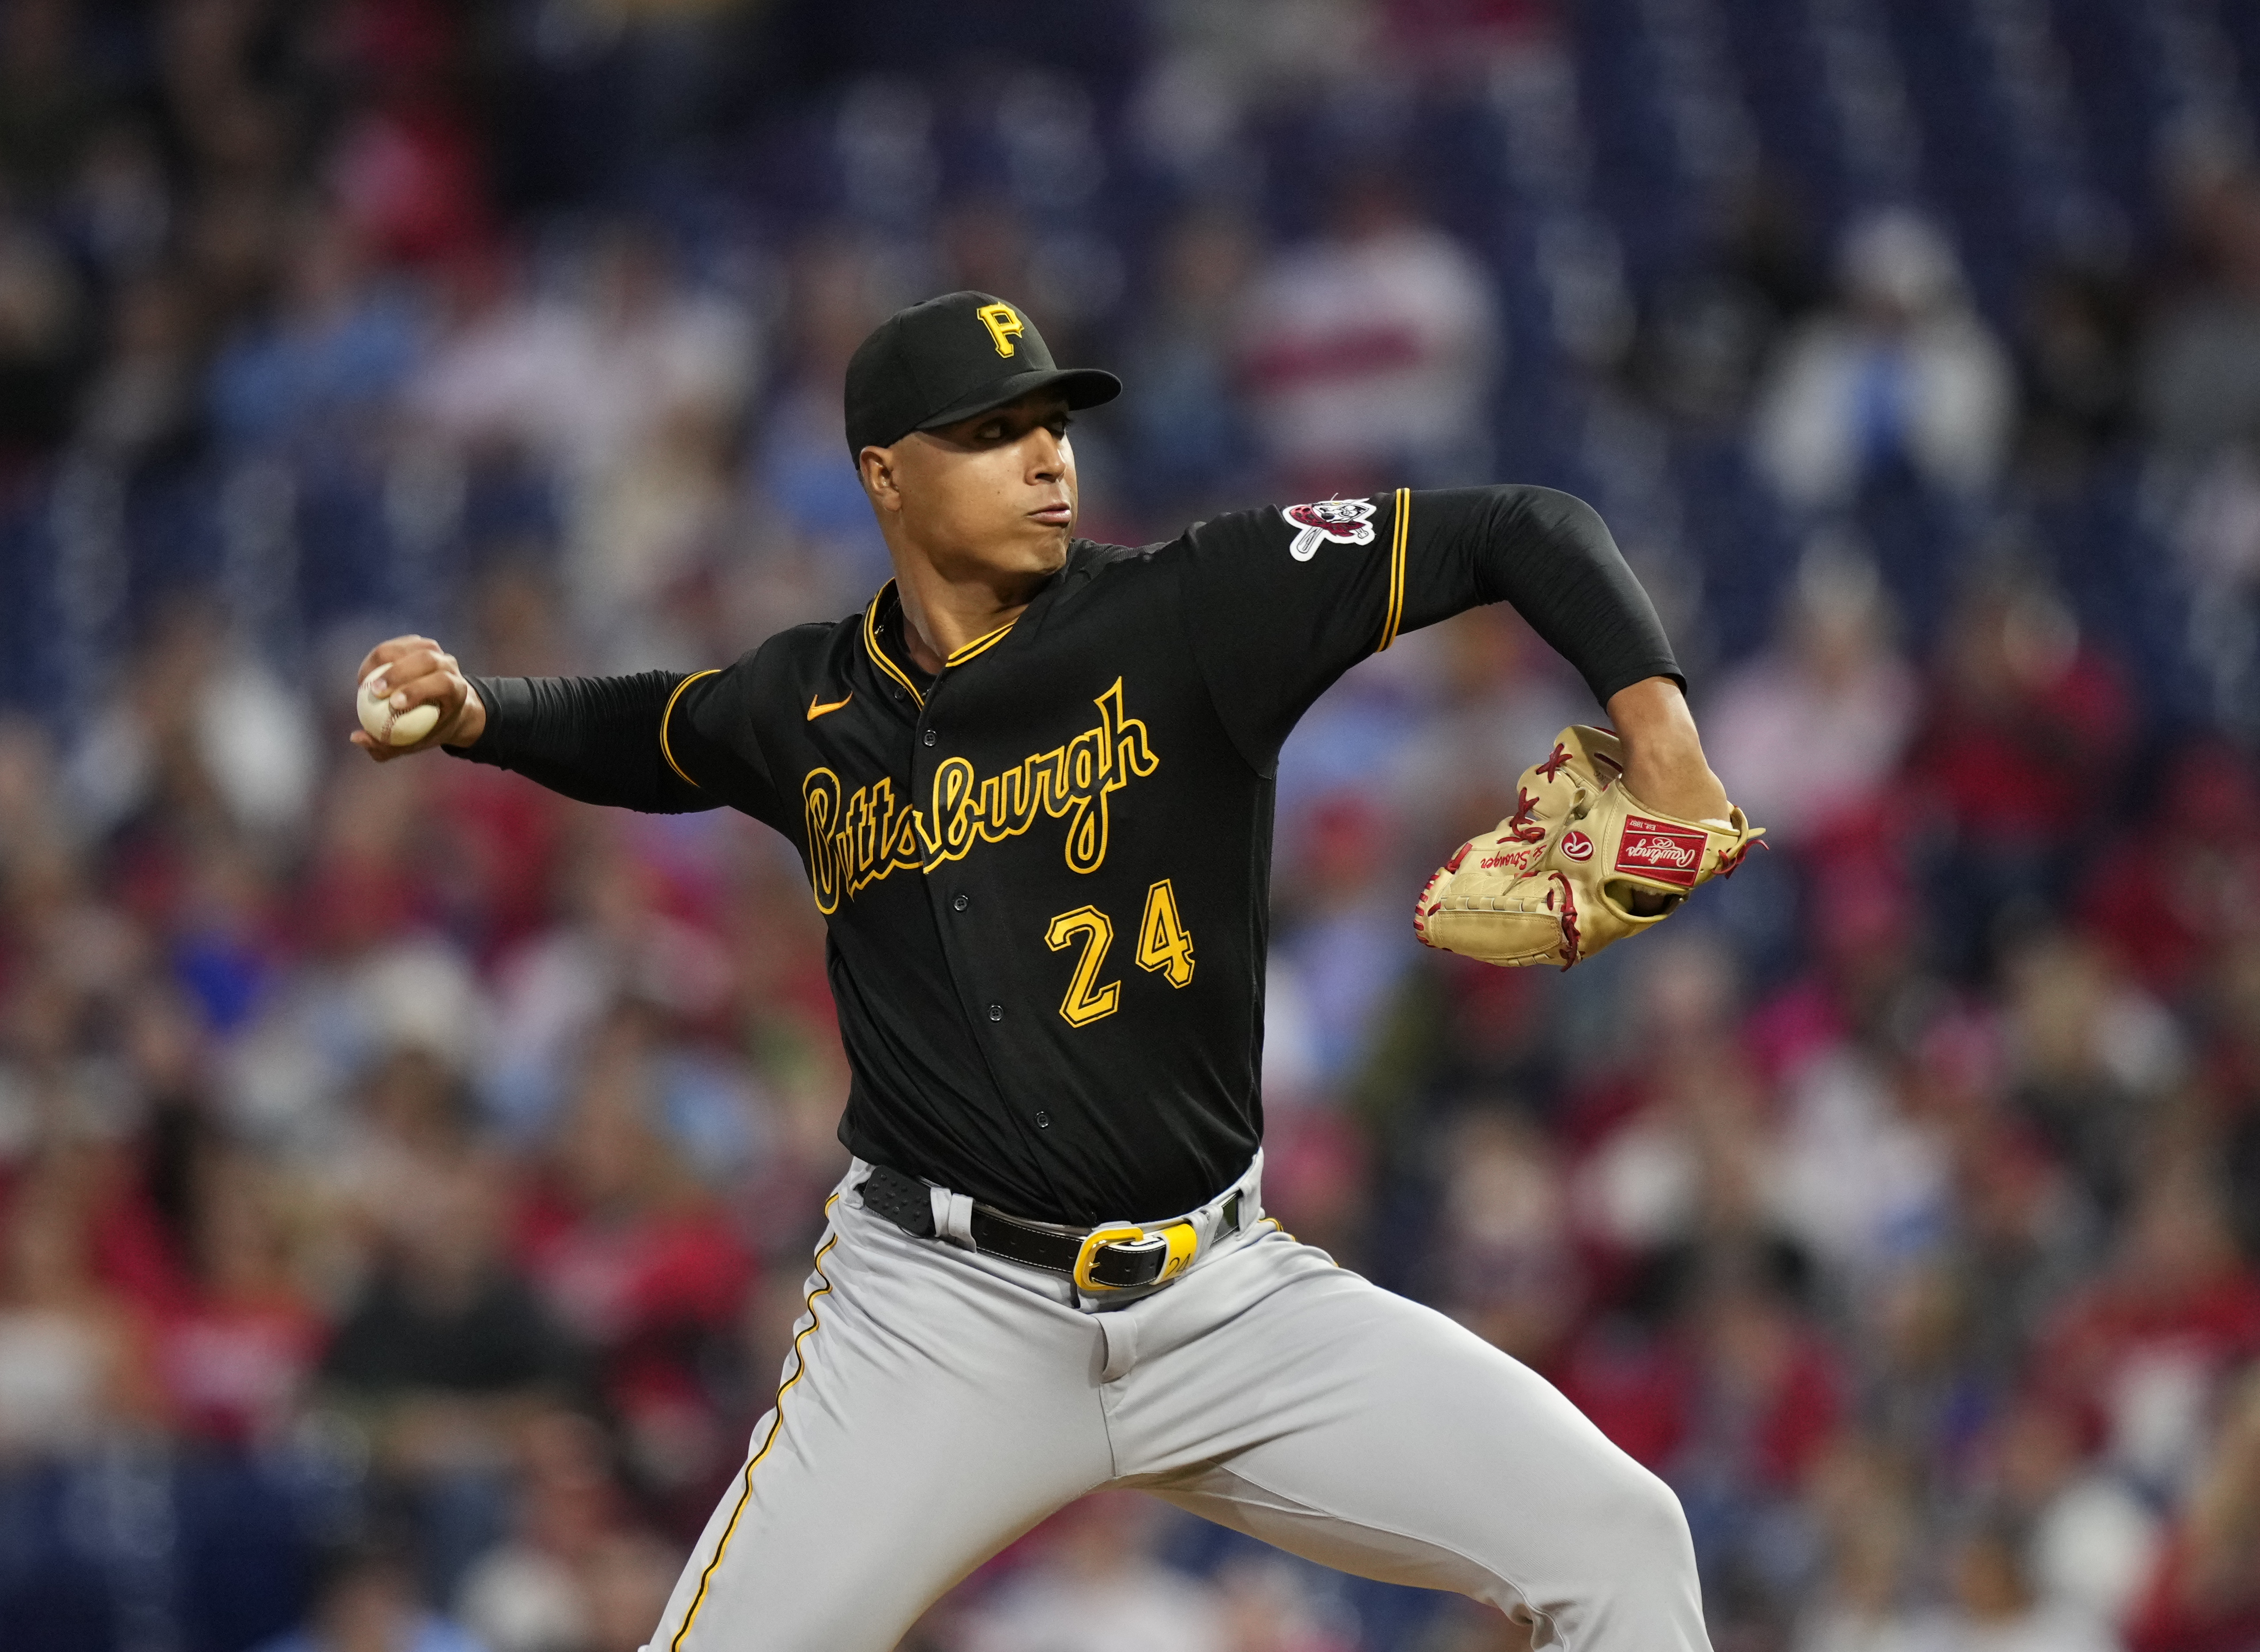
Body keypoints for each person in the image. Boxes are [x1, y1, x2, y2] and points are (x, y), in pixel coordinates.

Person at [348, 291, 1734, 1652]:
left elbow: (1519, 529)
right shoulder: (808, 702)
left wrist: (1660, 737)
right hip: (938, 1317)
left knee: (1621, 1540)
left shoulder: (1194, 608)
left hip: (1223, 1298)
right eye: (994, 430)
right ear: (884, 476)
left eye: (1054, 424)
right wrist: (483, 715)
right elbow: (655, 730)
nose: (1048, 455)